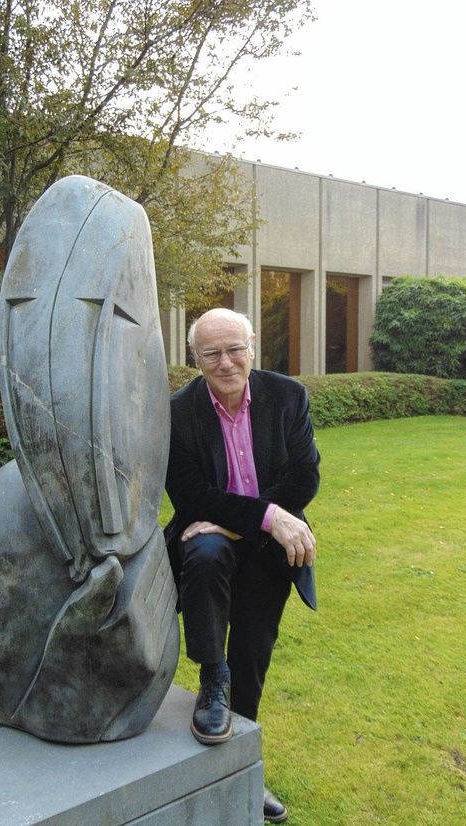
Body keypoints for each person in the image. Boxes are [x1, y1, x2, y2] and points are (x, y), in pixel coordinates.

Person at [164, 308, 320, 824]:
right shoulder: (179, 412)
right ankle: (212, 677)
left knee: (252, 656)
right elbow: (189, 496)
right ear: (195, 359)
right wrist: (269, 516)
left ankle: (241, 774)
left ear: (252, 346)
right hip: (213, 540)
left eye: (235, 348)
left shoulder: (287, 396)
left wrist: (249, 522)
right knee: (204, 552)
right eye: (211, 353)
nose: (225, 362)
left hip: (268, 546)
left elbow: (303, 480)